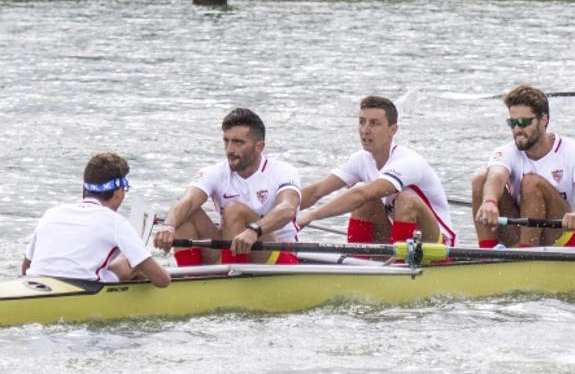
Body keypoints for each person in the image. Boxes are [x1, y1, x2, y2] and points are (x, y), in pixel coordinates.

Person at [298, 96, 456, 246]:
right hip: (403, 238)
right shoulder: (360, 159)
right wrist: (280, 211)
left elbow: (361, 194)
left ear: (392, 130)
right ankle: (357, 263)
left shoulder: (408, 162)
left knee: (404, 199)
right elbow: (316, 191)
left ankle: (400, 266)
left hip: (438, 245)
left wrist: (310, 216)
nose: (365, 130)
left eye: (374, 123)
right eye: (362, 122)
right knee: (367, 202)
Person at [152, 108, 302, 266]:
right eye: (226, 141)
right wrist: (168, 226)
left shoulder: (283, 171)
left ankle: (227, 278)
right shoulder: (214, 173)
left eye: (238, 142)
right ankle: (190, 278)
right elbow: (188, 201)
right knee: (186, 213)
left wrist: (254, 230)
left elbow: (287, 209)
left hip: (279, 257)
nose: (230, 149)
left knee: (234, 210)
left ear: (259, 146)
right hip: (231, 250)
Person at [473, 85, 575, 248]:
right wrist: (490, 201)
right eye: (512, 123)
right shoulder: (507, 152)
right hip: (523, 233)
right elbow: (496, 176)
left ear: (544, 120)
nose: (517, 129)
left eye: (524, 122)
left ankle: (526, 258)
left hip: (565, 238)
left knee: (531, 183)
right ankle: (488, 256)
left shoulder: (572, 151)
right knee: (480, 181)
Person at [23, 153, 170, 287]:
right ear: (118, 192)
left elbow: (25, 268)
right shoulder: (116, 222)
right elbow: (162, 281)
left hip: (32, 284)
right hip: (83, 289)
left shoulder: (52, 213)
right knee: (133, 262)